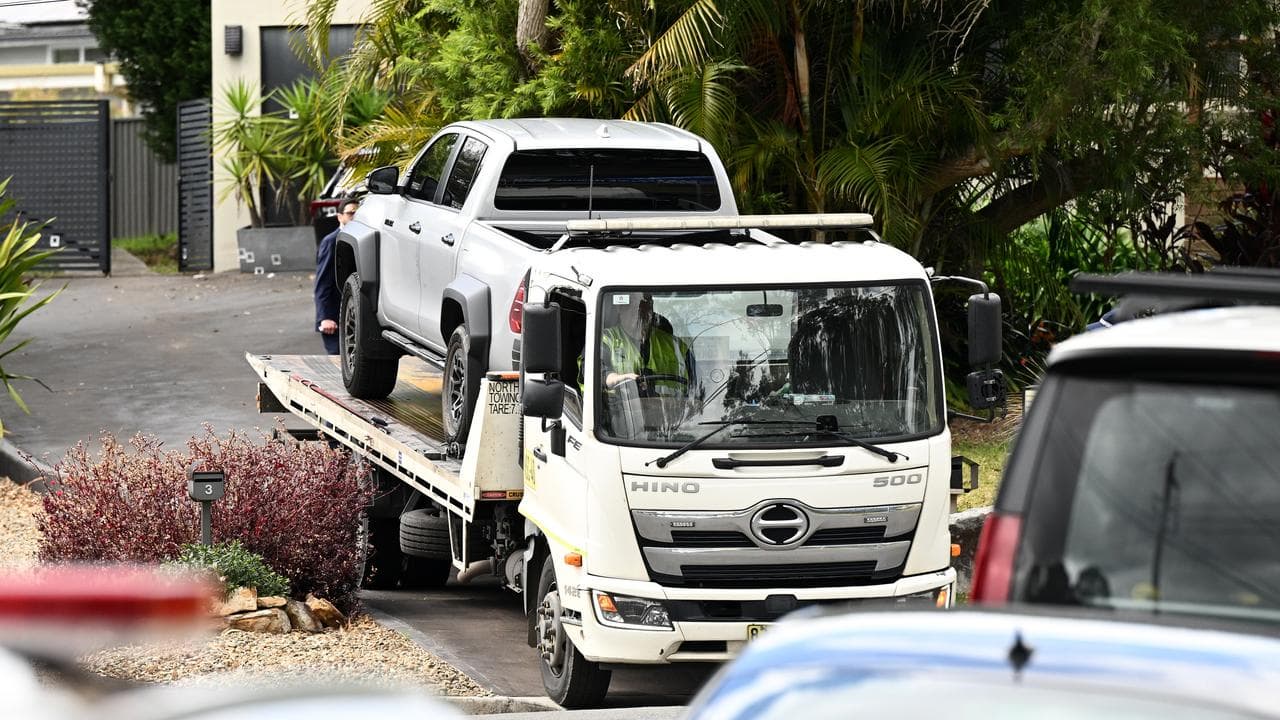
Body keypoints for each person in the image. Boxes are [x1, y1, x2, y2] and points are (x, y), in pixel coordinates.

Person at [598, 292, 695, 396]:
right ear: (619, 308)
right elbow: (591, 372)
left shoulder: (677, 346)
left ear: (651, 306)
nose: (639, 311)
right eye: (632, 304)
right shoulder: (604, 340)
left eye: (644, 304)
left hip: (673, 410)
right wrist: (612, 379)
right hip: (619, 410)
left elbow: (699, 386)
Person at [315, 197, 359, 355]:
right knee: (338, 364)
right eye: (350, 213)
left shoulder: (361, 240)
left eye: (357, 213)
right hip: (334, 321)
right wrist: (325, 317)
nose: (354, 217)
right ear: (340, 217)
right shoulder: (331, 242)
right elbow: (323, 282)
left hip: (354, 316)